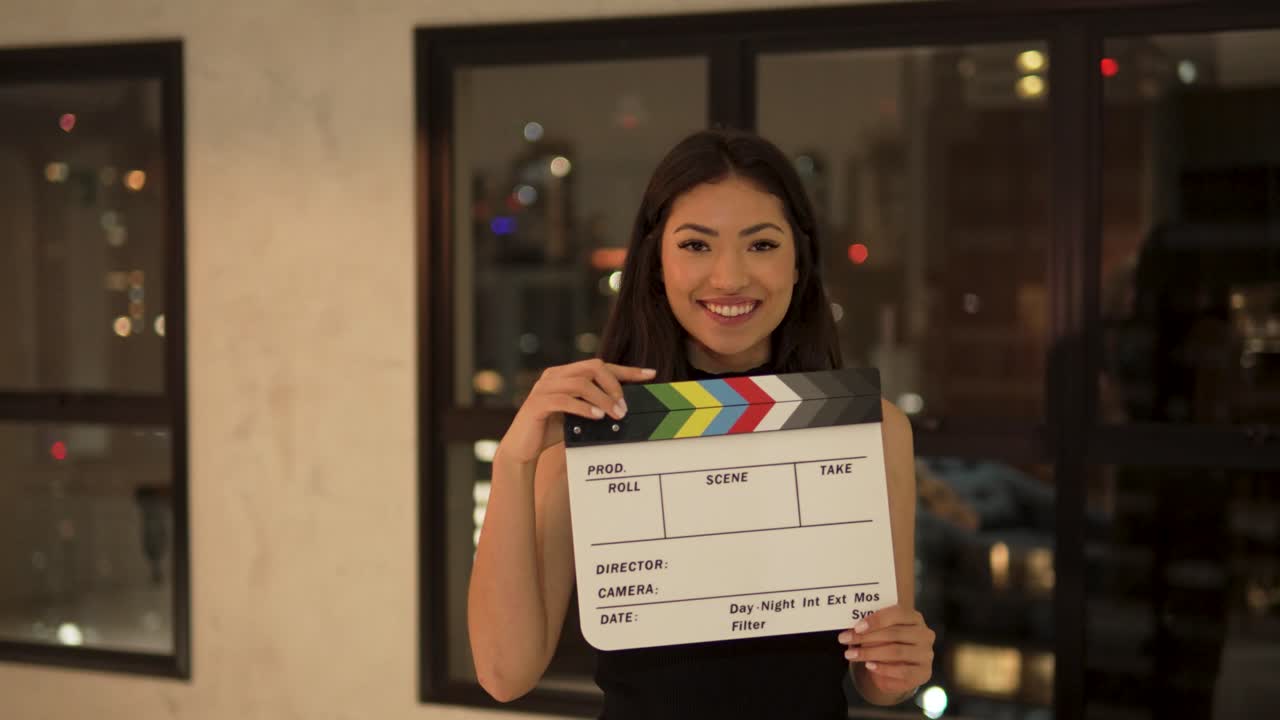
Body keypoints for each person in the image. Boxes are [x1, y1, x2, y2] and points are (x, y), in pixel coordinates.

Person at [468, 128, 935, 718]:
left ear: (800, 260)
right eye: (696, 245)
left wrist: (900, 661)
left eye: (761, 245)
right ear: (656, 262)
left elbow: (876, 676)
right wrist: (514, 459)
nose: (729, 278)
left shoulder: (871, 430)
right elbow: (505, 673)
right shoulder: (596, 430)